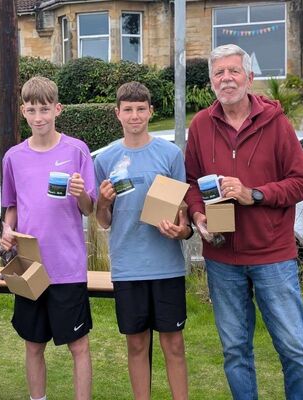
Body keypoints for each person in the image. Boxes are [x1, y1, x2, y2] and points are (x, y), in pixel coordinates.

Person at [184, 44, 303, 399]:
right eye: (219, 73)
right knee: (235, 353)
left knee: (294, 350)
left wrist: (253, 194)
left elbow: (302, 183)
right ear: (211, 81)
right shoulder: (200, 125)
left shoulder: (277, 124)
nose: (226, 79)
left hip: (273, 256)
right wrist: (197, 216)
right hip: (222, 258)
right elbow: (192, 183)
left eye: (233, 71)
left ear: (250, 78)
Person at [0, 76, 95, 400]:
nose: (38, 117)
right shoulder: (13, 157)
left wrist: (81, 195)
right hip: (30, 265)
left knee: (78, 345)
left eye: (44, 109)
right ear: (23, 112)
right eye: (31, 110)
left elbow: (89, 208)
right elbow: (11, 206)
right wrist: (7, 229)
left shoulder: (77, 149)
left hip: (67, 266)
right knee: (33, 344)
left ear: (57, 109)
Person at [94, 81, 191, 400]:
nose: (134, 116)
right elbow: (103, 221)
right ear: (117, 113)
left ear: (151, 111)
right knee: (136, 343)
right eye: (128, 110)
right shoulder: (105, 159)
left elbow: (183, 210)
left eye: (140, 109)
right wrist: (104, 203)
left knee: (173, 343)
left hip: (166, 265)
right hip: (128, 266)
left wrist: (181, 229)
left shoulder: (171, 153)